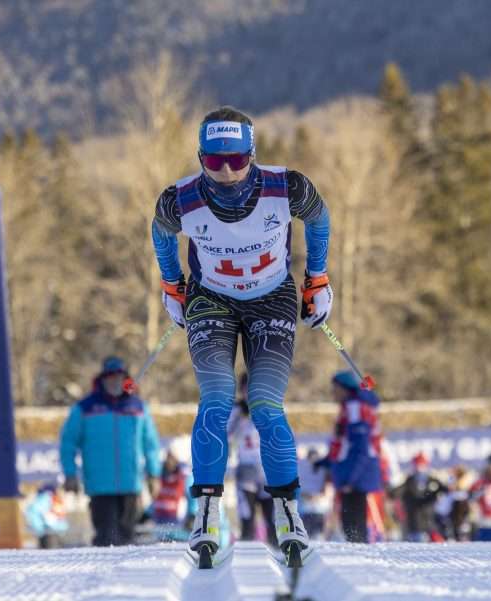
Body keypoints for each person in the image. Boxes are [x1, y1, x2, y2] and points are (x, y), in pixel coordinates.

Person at [150, 106, 332, 560]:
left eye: (236, 160)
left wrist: (317, 278)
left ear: (252, 154)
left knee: (266, 405)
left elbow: (319, 217)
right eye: (214, 161)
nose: (227, 171)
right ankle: (207, 511)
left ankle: (287, 510)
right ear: (200, 157)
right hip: (211, 300)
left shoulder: (287, 186)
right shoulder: (179, 199)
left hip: (272, 299)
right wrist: (172, 285)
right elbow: (161, 232)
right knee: (216, 398)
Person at [60, 356, 162, 546]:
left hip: (131, 485)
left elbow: (150, 445)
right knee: (106, 538)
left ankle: (127, 575)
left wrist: (153, 474)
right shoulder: (85, 408)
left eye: (119, 377)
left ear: (126, 379)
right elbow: (68, 443)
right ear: (102, 379)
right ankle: (102, 575)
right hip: (100, 487)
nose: (114, 381)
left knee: (128, 538)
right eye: (110, 377)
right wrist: (70, 473)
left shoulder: (138, 407)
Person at [317, 371, 383, 543]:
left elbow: (360, 446)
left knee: (353, 524)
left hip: (355, 477)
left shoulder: (355, 408)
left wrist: (351, 479)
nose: (333, 393)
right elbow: (343, 443)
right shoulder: (350, 407)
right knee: (349, 524)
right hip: (350, 474)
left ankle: (361, 560)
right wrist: (325, 461)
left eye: (336, 388)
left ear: (346, 389)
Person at [228, 373, 277, 546]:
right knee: (247, 519)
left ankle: (279, 554)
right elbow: (225, 436)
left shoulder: (270, 408)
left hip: (267, 471)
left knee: (272, 520)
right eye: (246, 389)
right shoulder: (236, 410)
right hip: (246, 471)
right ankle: (246, 554)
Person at [393, 452, 444, 542]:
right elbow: (397, 492)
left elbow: (444, 489)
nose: (419, 468)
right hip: (414, 519)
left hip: (429, 519)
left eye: (422, 465)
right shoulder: (409, 480)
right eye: (417, 465)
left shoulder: (432, 480)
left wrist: (435, 496)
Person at [296, 448, 329, 540]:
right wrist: (304, 494)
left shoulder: (323, 468)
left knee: (318, 522)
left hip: (319, 502)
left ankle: (318, 537)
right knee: (307, 522)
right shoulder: (302, 467)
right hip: (305, 501)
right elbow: (299, 482)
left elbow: (326, 485)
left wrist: (320, 495)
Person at [24, 482, 69, 549]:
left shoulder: (43, 498)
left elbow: (32, 511)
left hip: (46, 530)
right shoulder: (55, 499)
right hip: (57, 529)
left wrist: (36, 527)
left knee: (47, 552)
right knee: (56, 551)